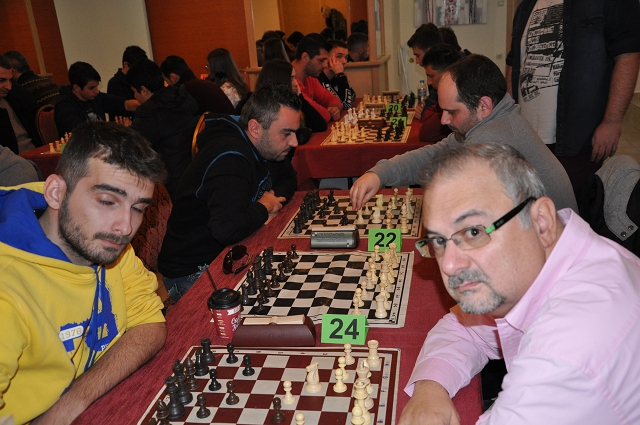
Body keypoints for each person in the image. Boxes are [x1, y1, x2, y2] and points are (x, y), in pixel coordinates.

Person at [399, 142, 640, 425]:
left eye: (474, 232)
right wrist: (430, 388)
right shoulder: (547, 264)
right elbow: (464, 329)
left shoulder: (568, 352)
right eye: (439, 241)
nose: (449, 265)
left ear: (541, 222)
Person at [0, 121, 167, 424]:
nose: (125, 227)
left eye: (138, 208)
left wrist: (70, 404)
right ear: (55, 192)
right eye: (107, 201)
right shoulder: (7, 291)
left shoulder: (104, 242)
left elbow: (150, 323)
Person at [349, 54, 577, 213]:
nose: (444, 120)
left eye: (452, 112)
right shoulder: (494, 119)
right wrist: (381, 173)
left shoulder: (491, 140)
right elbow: (437, 155)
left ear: (483, 106)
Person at [158, 84, 299, 301]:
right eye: (286, 133)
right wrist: (264, 207)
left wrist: (268, 201)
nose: (294, 142)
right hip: (193, 270)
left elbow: (289, 179)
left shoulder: (268, 147)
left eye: (295, 133)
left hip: (233, 249)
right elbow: (227, 229)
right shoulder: (229, 157)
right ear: (255, 128)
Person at [506, 0, 640, 195]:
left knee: (571, 207)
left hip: (577, 140)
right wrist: (510, 118)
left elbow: (628, 55)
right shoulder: (526, 5)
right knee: (533, 204)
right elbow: (515, 62)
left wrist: (612, 121)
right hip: (528, 137)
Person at [127, 59, 200, 199]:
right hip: (196, 171)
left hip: (171, 184)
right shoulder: (181, 95)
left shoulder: (149, 113)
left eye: (134, 92)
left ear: (143, 90)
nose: (134, 96)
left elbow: (131, 144)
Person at [54, 62, 139, 137]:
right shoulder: (64, 106)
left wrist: (144, 105)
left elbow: (126, 104)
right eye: (91, 88)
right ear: (76, 87)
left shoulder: (95, 96)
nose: (97, 91)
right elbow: (81, 132)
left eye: (97, 86)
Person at [257, 59, 327, 133]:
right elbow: (288, 134)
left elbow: (321, 125)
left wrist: (301, 98)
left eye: (295, 78)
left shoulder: (289, 103)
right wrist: (304, 133)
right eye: (291, 79)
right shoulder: (268, 109)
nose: (296, 84)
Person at [416, 44, 463, 142]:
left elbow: (426, 132)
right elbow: (428, 110)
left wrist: (430, 115)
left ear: (447, 74)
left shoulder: (458, 99)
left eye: (431, 76)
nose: (428, 82)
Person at [160, 55, 234, 115]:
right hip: (229, 125)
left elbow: (184, 117)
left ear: (173, 77)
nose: (168, 85)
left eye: (167, 81)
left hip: (220, 127)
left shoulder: (187, 89)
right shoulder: (203, 84)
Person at [292, 35, 342, 123]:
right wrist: (329, 113)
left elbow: (331, 99)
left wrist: (335, 108)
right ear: (305, 57)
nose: (325, 65)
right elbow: (319, 115)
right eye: (321, 60)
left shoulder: (310, 77)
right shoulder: (291, 81)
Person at [0, 55, 42, 154]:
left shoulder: (13, 97)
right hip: (14, 159)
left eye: (11, 80)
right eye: (2, 80)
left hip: (34, 152)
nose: (9, 87)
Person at [407, 23, 444, 108]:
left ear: (429, 51)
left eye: (418, 55)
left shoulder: (449, 70)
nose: (417, 61)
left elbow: (427, 109)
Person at [318, 39, 356, 110]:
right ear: (326, 57)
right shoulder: (320, 79)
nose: (344, 61)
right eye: (339, 56)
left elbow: (352, 95)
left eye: (346, 57)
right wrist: (340, 75)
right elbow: (346, 105)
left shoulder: (335, 78)